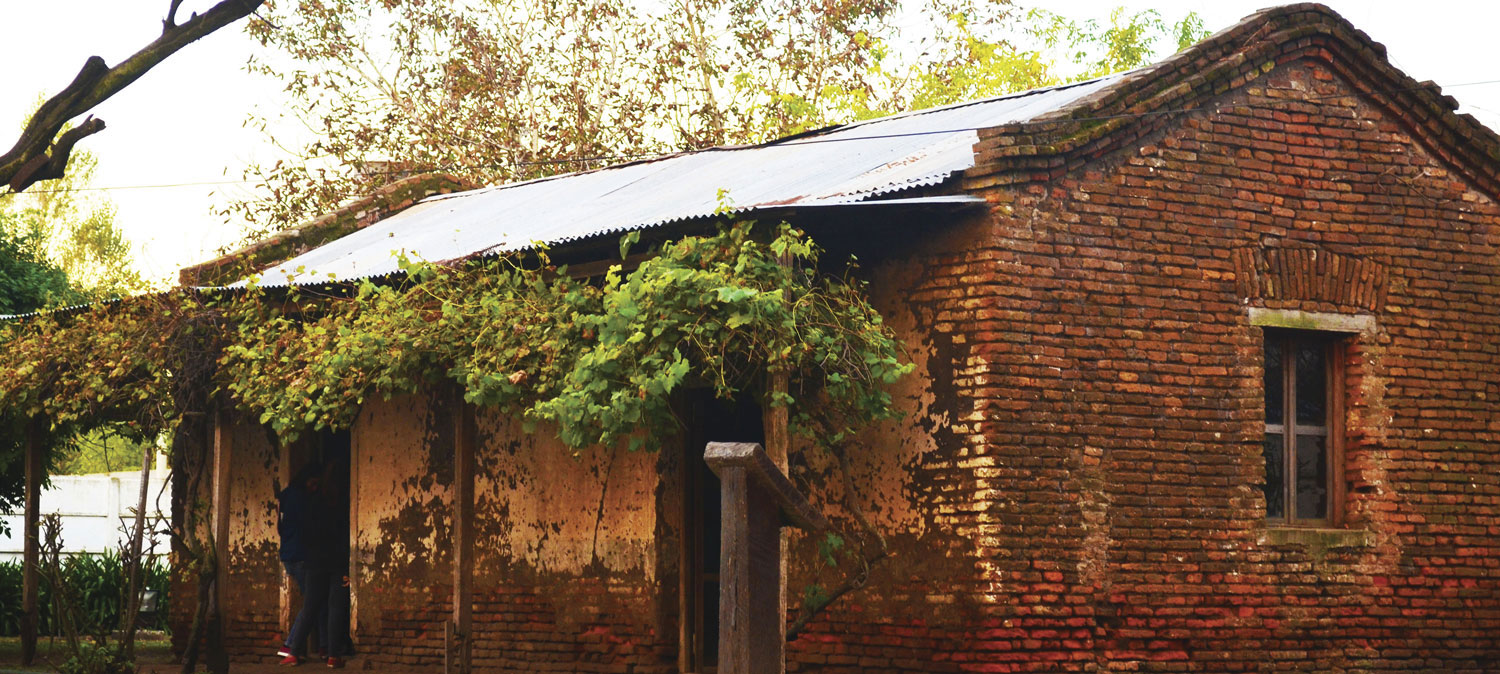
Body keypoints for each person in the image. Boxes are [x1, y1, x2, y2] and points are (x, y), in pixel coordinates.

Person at [276, 462, 324, 663]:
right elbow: (308, 529)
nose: (315, 489)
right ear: (306, 480)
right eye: (313, 484)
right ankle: (291, 644)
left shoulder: (285, 496)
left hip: (288, 554)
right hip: (301, 556)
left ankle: (301, 645)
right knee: (313, 602)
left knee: (312, 602)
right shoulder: (302, 499)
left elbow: (280, 526)